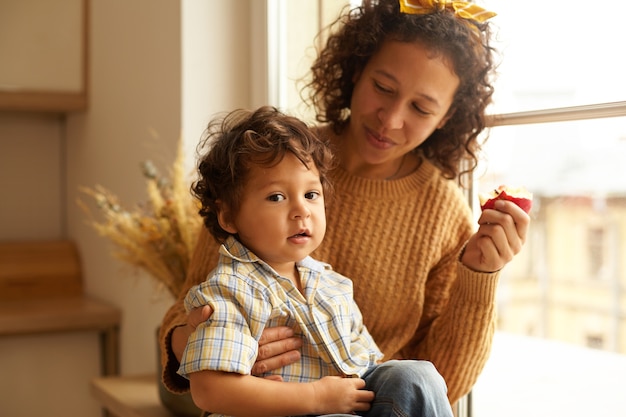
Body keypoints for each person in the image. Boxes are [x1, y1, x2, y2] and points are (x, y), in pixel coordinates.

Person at [160, 0, 530, 412]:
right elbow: (188, 306)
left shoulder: (442, 215)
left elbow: (435, 385)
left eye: (421, 108)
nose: (390, 119)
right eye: (383, 88)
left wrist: (480, 274)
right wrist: (206, 345)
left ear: (446, 116)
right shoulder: (266, 167)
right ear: (356, 71)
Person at [178, 105, 454, 417]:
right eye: (277, 197)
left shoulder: (332, 285)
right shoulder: (230, 290)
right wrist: (315, 397)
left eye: (311, 194)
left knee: (416, 376)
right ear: (228, 215)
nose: (301, 210)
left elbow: (366, 373)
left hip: (343, 406)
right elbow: (209, 390)